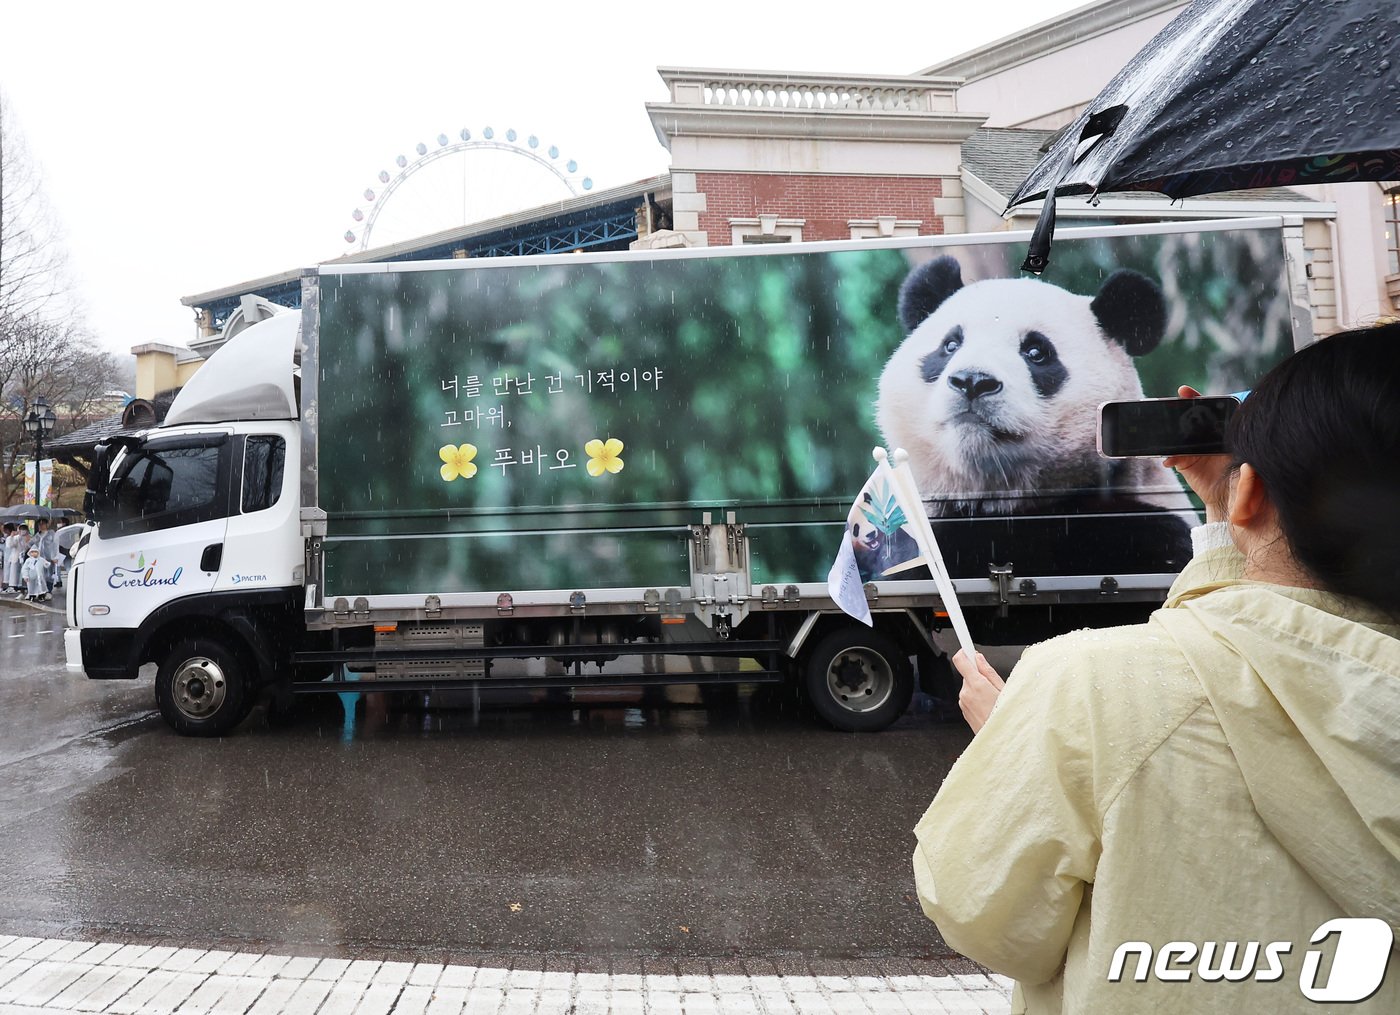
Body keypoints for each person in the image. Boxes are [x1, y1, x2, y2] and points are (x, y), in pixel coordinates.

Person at [912, 323, 1400, 1014]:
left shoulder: (1088, 688)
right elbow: (1250, 643)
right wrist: (1226, 518)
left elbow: (985, 915)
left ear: (1251, 493)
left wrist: (1015, 740)